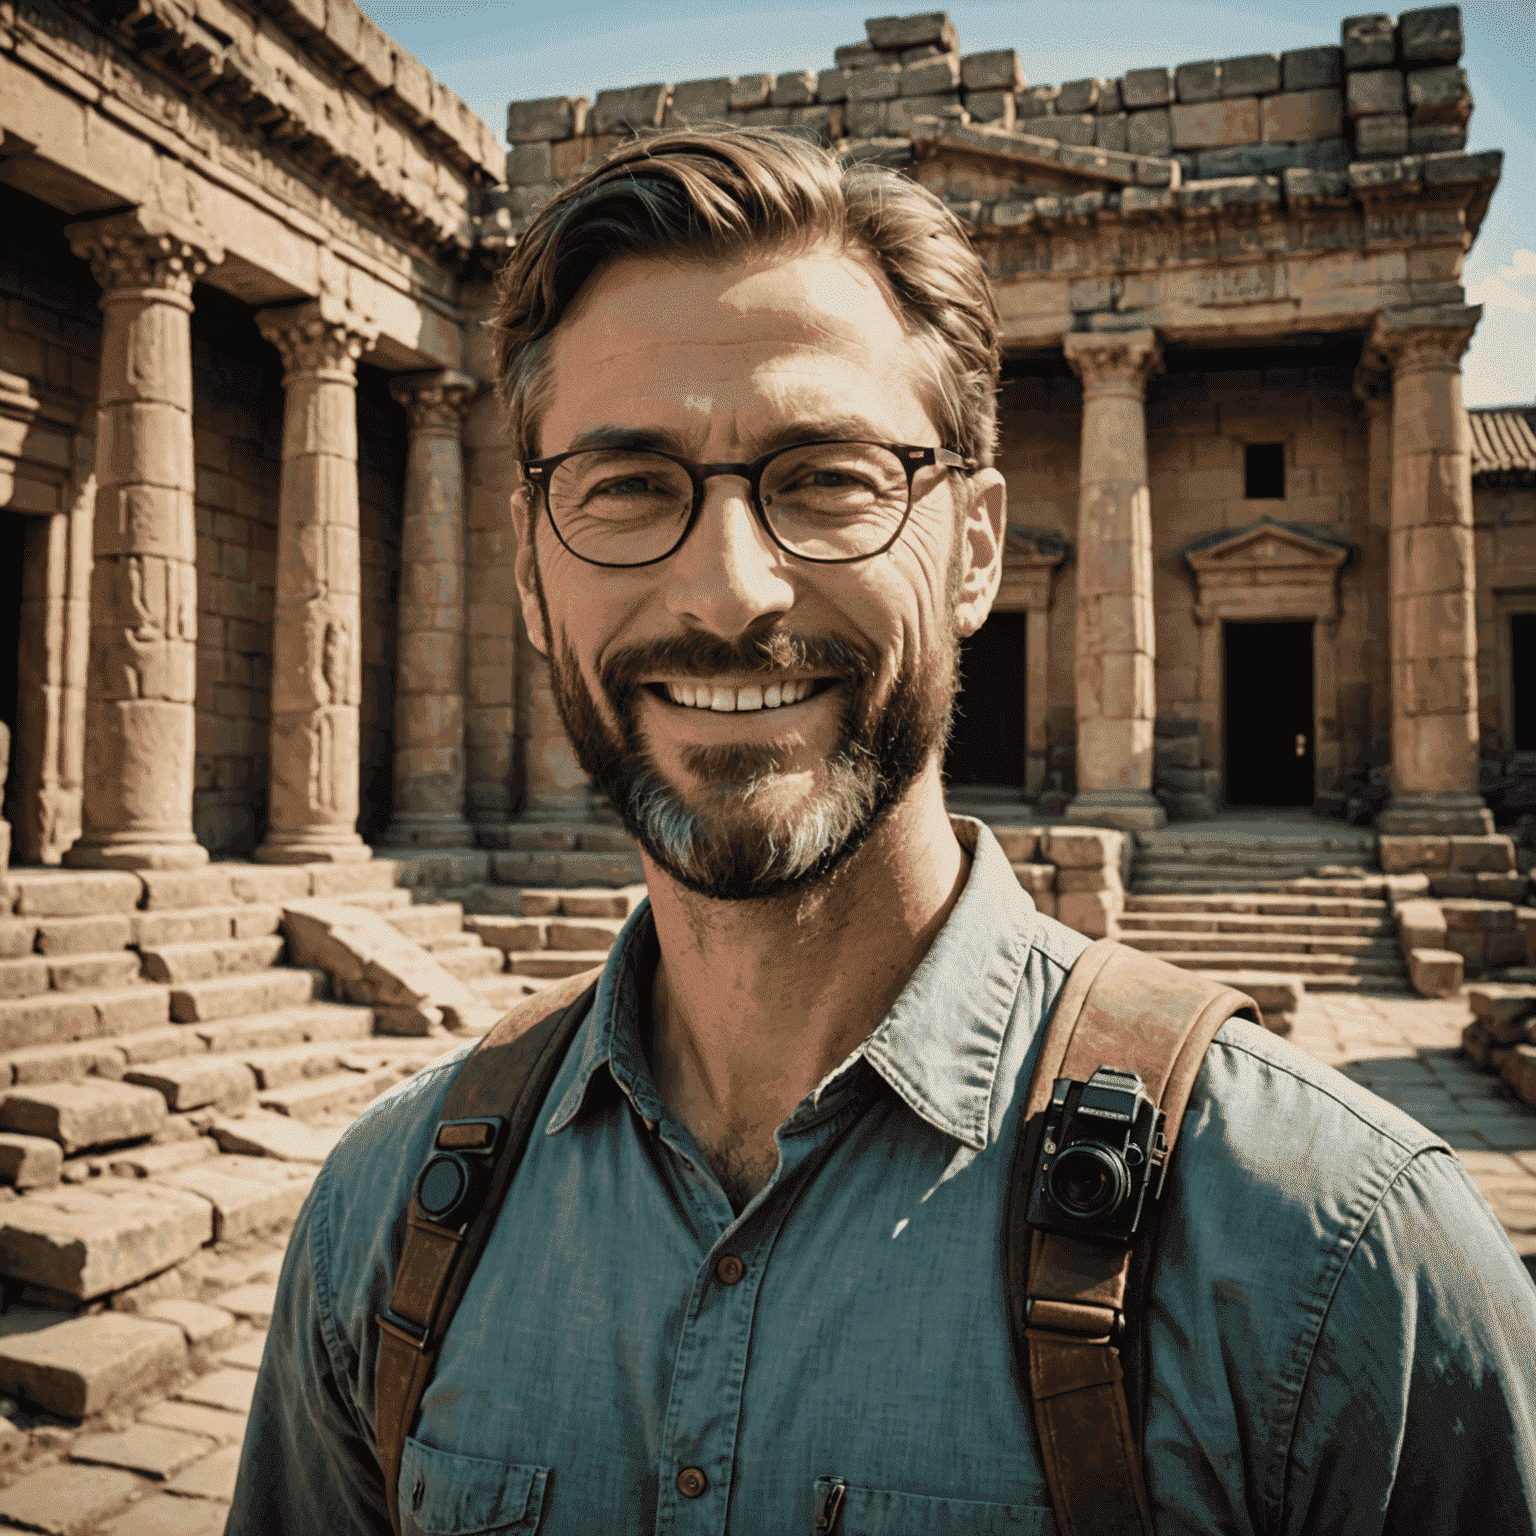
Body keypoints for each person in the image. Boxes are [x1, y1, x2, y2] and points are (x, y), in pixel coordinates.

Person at [227, 127, 1536, 1535]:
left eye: (829, 476)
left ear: (974, 546)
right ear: (534, 577)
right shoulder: (385, 1220)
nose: (729, 594)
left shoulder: (1342, 1259)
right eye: (627, 486)